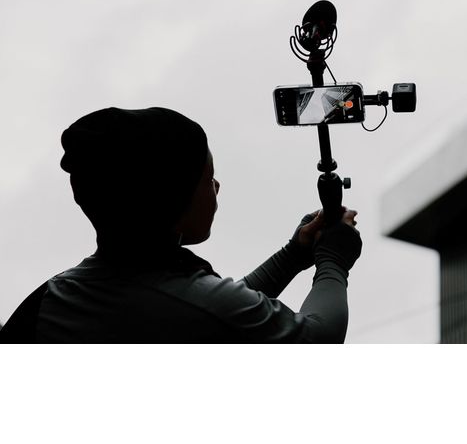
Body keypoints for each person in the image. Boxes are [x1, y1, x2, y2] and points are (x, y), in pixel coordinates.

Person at [0, 107, 362, 343]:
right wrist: (333, 259)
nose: (216, 186)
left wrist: (292, 255)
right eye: (207, 178)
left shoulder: (56, 297)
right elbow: (318, 338)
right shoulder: (189, 300)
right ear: (172, 195)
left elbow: (205, 310)